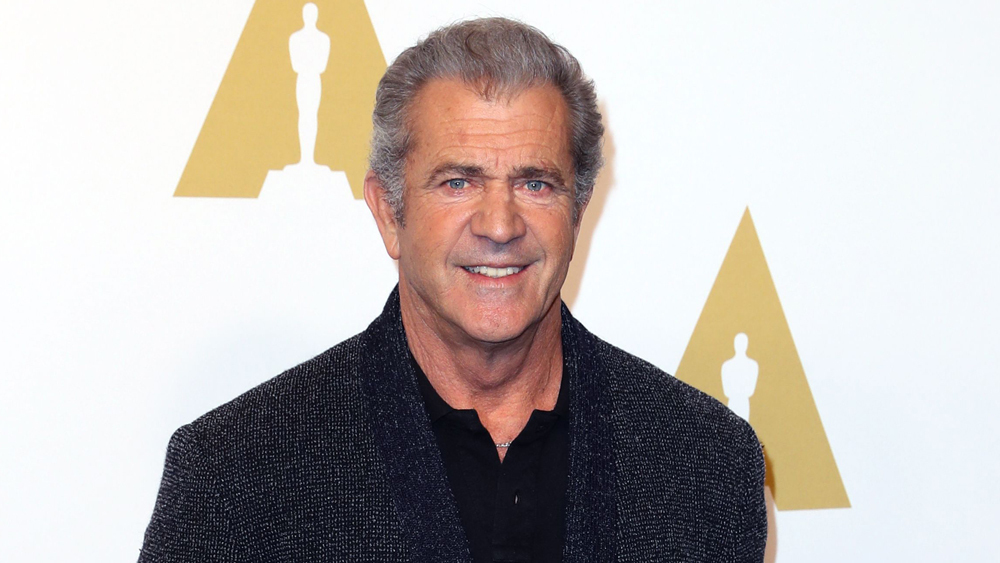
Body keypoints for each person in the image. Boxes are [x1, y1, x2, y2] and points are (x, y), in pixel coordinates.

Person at [139, 17, 766, 563]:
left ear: (577, 212)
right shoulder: (236, 473)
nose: (500, 225)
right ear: (388, 212)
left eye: (536, 184)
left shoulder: (705, 465)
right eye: (458, 182)